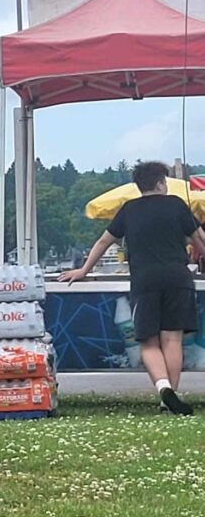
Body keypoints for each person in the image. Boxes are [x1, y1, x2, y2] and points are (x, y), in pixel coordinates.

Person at [61, 161, 205, 415]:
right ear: (160, 183)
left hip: (144, 281)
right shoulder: (177, 204)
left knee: (148, 342)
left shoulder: (129, 209)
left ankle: (163, 388)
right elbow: (200, 241)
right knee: (172, 339)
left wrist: (84, 270)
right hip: (178, 278)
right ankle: (169, 400)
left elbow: (104, 241)